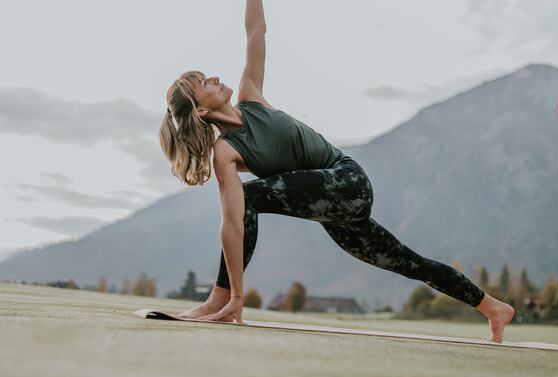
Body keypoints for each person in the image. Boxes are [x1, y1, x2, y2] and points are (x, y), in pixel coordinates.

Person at [158, 0, 515, 343]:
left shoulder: (251, 96)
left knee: (250, 195)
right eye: (204, 83)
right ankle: (494, 308)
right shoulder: (227, 152)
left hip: (348, 182)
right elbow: (232, 224)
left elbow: (256, 30)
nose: (215, 78)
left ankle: (220, 301)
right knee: (410, 262)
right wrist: (237, 293)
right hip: (336, 217)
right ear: (201, 112)